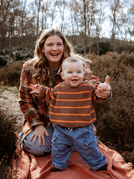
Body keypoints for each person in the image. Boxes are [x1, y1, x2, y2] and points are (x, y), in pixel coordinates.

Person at [17, 28, 102, 157]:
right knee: (36, 148)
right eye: (50, 44)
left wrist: (101, 90)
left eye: (59, 44)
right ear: (42, 48)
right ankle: (29, 135)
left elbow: (91, 82)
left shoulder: (76, 64)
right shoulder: (29, 68)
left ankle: (64, 142)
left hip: (73, 120)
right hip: (45, 120)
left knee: (84, 146)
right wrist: (37, 124)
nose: (55, 49)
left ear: (64, 46)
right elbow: (25, 100)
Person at [28, 57, 112, 172]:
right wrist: (41, 91)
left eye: (78, 72)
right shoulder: (58, 89)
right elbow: (49, 96)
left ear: (83, 73)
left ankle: (98, 163)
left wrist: (103, 90)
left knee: (88, 148)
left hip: (82, 129)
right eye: (70, 72)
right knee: (58, 148)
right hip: (60, 129)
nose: (75, 75)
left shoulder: (87, 88)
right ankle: (59, 164)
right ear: (62, 75)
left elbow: (98, 96)